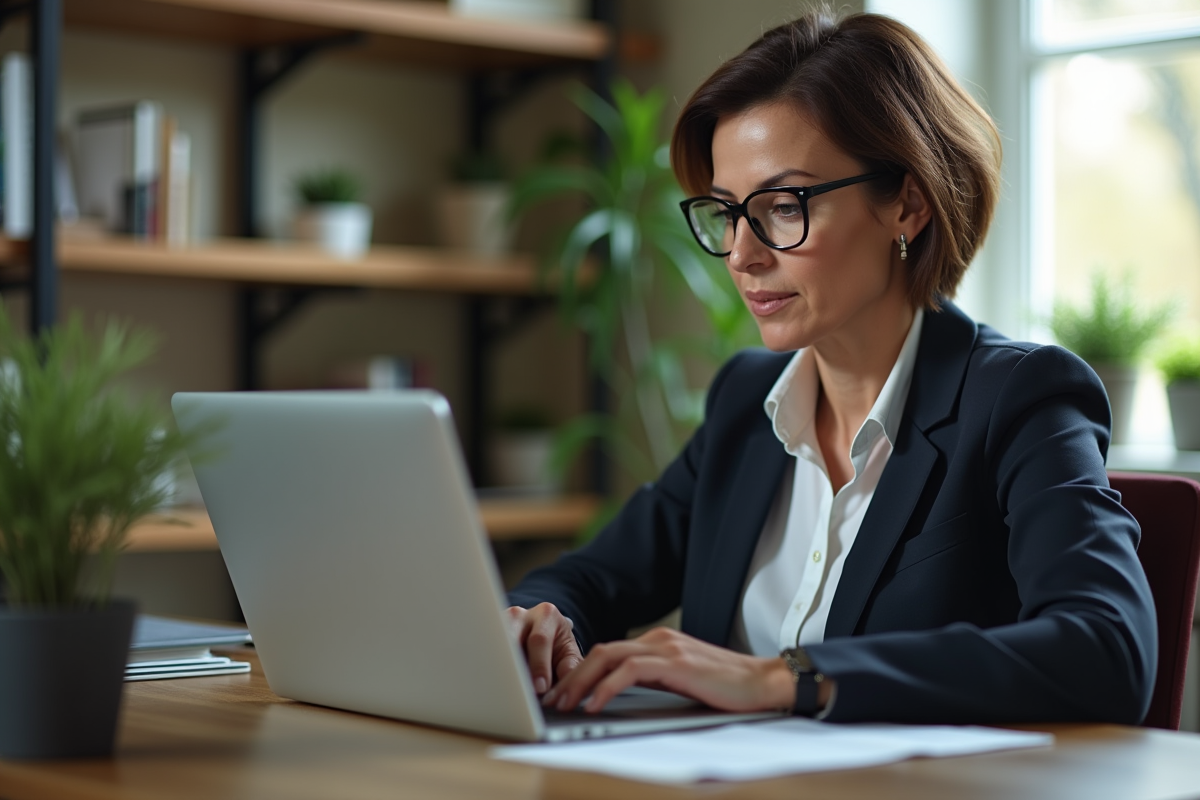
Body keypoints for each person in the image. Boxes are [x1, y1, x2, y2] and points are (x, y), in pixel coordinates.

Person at [506, 9, 1157, 724]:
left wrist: (787, 679)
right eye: (727, 213)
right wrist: (544, 620)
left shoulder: (1019, 397)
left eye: (783, 207)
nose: (744, 255)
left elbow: (1107, 648)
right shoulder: (746, 400)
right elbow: (591, 578)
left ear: (907, 204)